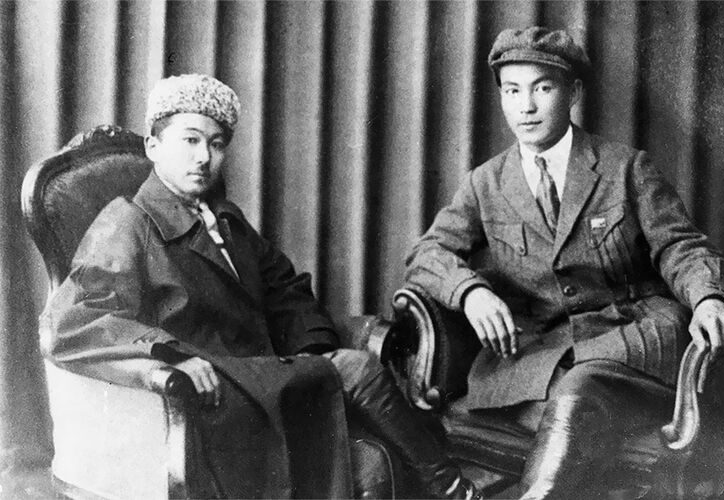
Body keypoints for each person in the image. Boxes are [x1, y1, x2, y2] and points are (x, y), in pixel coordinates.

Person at [41, 74, 480, 499]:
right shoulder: (127, 222)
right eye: (190, 140)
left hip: (259, 378)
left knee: (350, 374)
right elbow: (75, 322)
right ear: (153, 148)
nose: (203, 157)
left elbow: (286, 288)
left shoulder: (225, 218)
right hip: (211, 394)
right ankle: (455, 492)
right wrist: (172, 355)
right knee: (357, 369)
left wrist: (311, 358)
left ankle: (449, 490)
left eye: (216, 144)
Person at [404, 27, 724, 499]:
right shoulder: (485, 183)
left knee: (580, 388)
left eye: (542, 88)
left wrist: (708, 298)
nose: (525, 107)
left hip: (632, 337)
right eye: (512, 91)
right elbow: (426, 253)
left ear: (574, 93)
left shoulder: (626, 168)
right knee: (572, 394)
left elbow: (680, 246)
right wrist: (470, 291)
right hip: (543, 351)